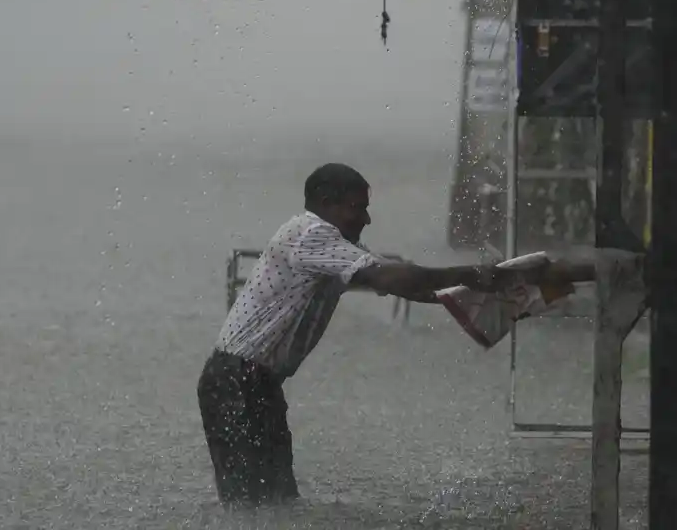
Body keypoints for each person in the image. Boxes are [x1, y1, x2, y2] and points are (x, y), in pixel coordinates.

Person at [197, 162, 637, 507]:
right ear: (327, 203)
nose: (366, 218)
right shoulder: (308, 234)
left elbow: (418, 287)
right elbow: (395, 278)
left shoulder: (334, 249)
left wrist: (512, 289)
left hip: (254, 383)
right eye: (357, 207)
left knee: (275, 502)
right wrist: (474, 274)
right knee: (250, 505)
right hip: (236, 382)